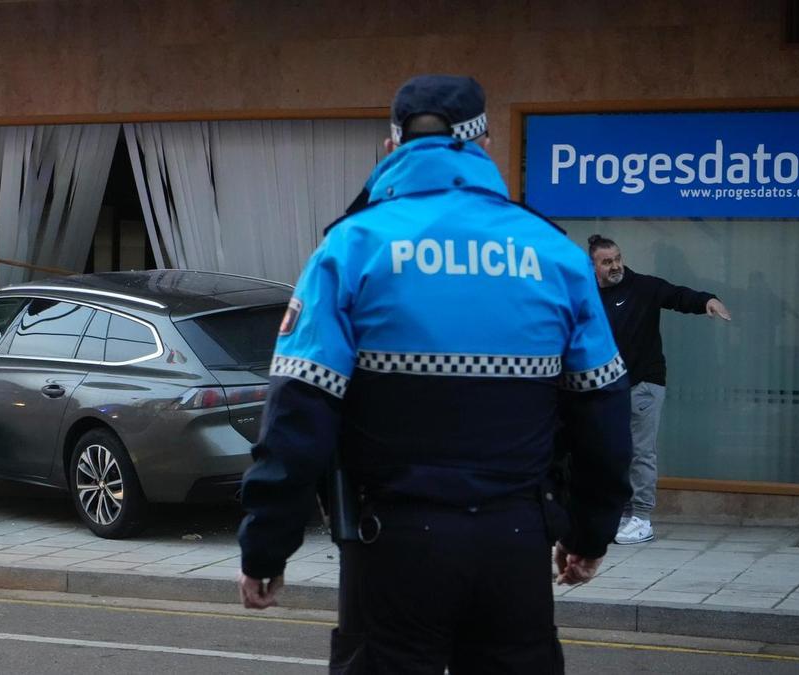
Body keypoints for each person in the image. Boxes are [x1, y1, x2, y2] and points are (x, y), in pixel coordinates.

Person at [237, 74, 633, 674]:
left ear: (392, 144)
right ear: (484, 141)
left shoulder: (352, 247)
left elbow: (299, 414)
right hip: (515, 541)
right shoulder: (554, 254)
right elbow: (602, 411)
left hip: (392, 545)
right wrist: (588, 534)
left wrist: (267, 544)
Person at [587, 235, 732, 545]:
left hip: (643, 384)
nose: (615, 266)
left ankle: (641, 517)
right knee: (614, 453)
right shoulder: (588, 294)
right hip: (608, 389)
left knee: (640, 451)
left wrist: (708, 300)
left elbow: (677, 296)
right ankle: (624, 514)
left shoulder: (643, 287)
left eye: (618, 258)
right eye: (607, 261)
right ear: (594, 266)